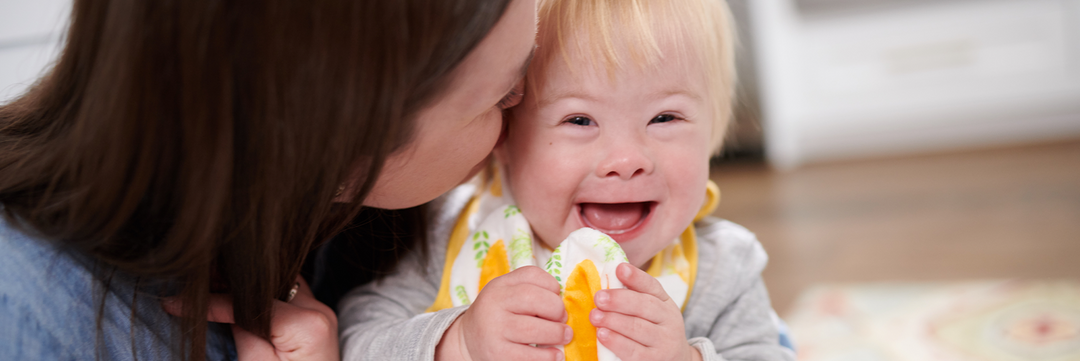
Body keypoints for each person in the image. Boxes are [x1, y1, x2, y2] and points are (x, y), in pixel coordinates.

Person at [0, 0, 536, 360]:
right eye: (505, 96)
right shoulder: (29, 321)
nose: (524, 118)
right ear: (343, 140)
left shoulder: (343, 226)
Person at [338, 0, 795, 360]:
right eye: (579, 120)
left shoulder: (724, 269)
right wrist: (457, 344)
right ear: (504, 138)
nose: (626, 160)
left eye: (665, 117)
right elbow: (354, 341)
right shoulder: (449, 237)